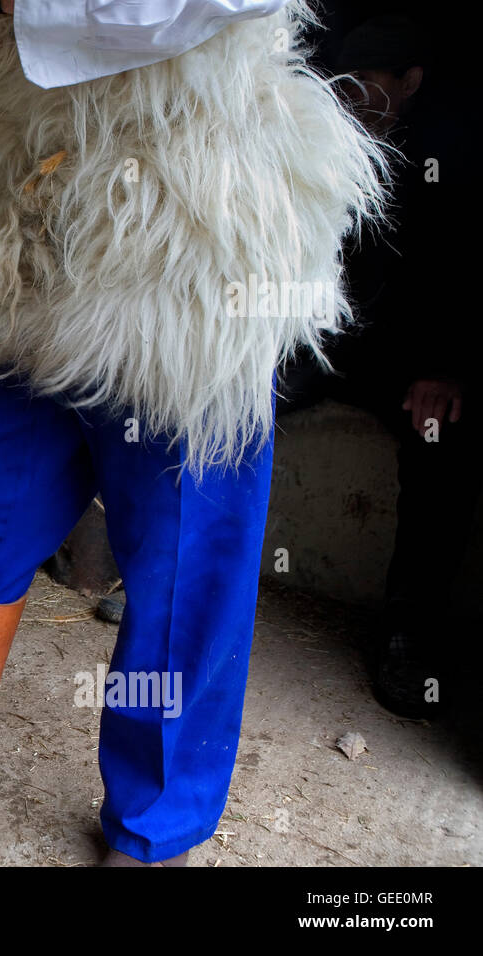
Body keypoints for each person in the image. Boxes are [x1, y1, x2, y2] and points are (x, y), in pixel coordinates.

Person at [0, 0, 385, 866]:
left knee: (183, 566)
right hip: (34, 241)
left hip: (188, 241)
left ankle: (152, 835)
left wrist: (11, 11)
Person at [278, 16, 476, 719]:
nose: (355, 97)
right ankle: (174, 581)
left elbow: (463, 270)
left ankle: (404, 634)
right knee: (241, 395)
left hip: (414, 361)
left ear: (412, 82)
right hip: (330, 339)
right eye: (347, 83)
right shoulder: (328, 137)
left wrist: (447, 367)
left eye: (371, 84)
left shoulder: (450, 154)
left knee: (442, 445)